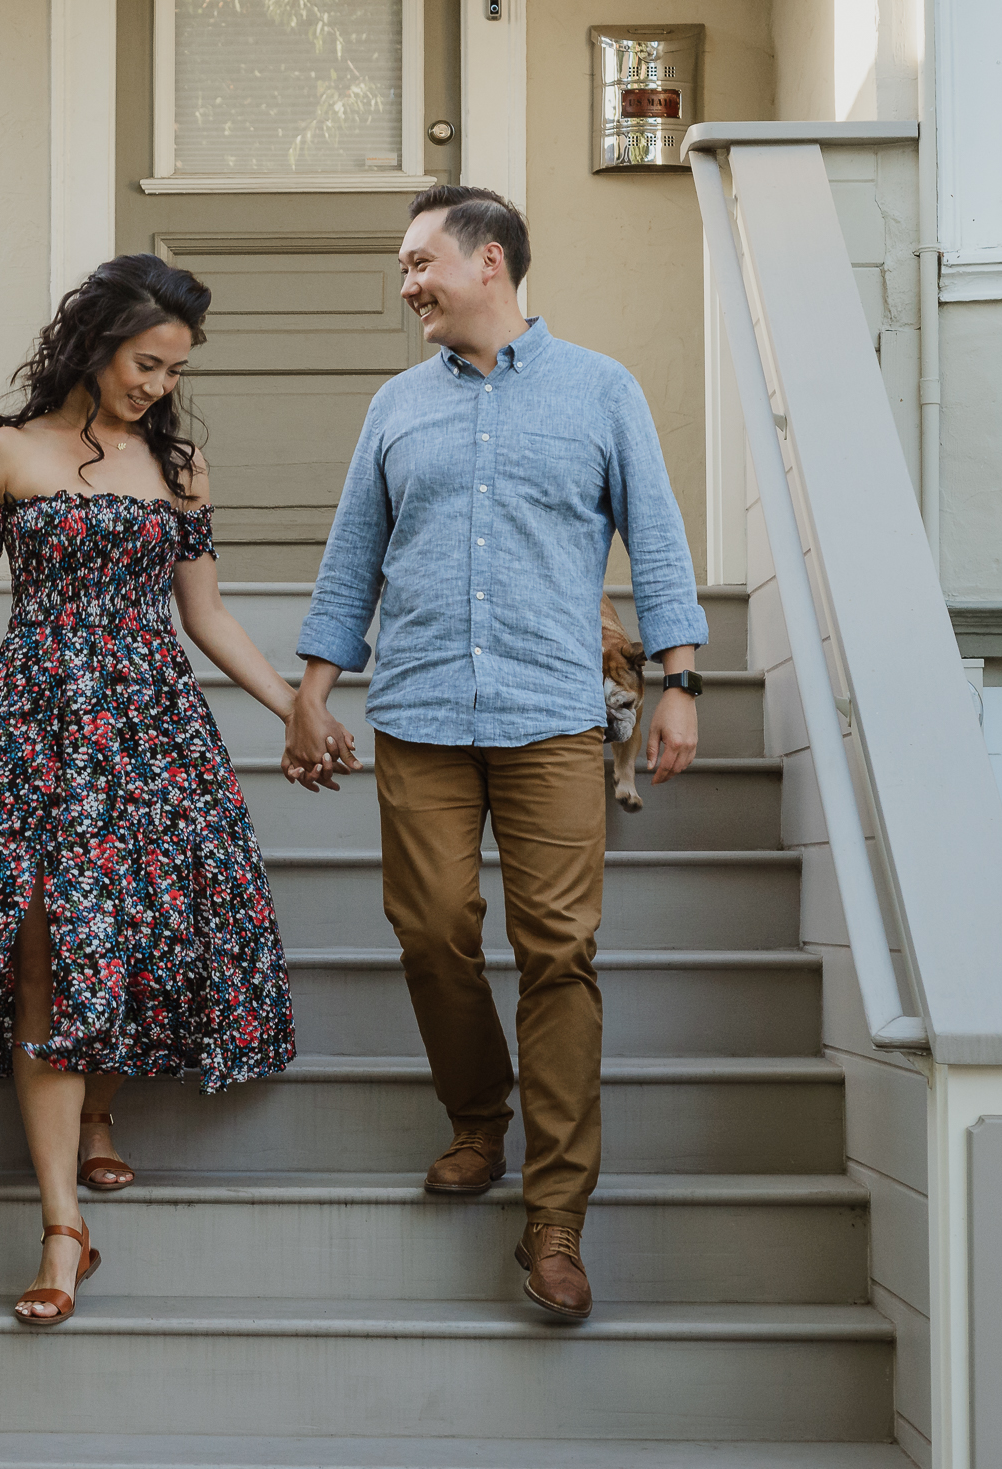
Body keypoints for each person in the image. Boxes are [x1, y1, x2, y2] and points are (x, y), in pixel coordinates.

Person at [282, 185, 706, 1323]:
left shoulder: (600, 390)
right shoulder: (395, 407)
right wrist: (310, 694)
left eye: (421, 261)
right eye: (406, 264)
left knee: (558, 952)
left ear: (490, 263)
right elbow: (348, 560)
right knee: (429, 929)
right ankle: (478, 1118)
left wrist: (677, 684)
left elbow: (656, 540)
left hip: (553, 716)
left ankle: (555, 1221)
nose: (407, 281)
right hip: (417, 710)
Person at [0, 254, 298, 1328]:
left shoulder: (181, 467)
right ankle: (63, 1227)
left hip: (153, 721)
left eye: (172, 370)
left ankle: (99, 1113)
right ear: (97, 341)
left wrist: (293, 704)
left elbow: (206, 615)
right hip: (35, 723)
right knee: (46, 950)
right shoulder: (2, 456)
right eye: (145, 362)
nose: (156, 385)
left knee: (145, 933)